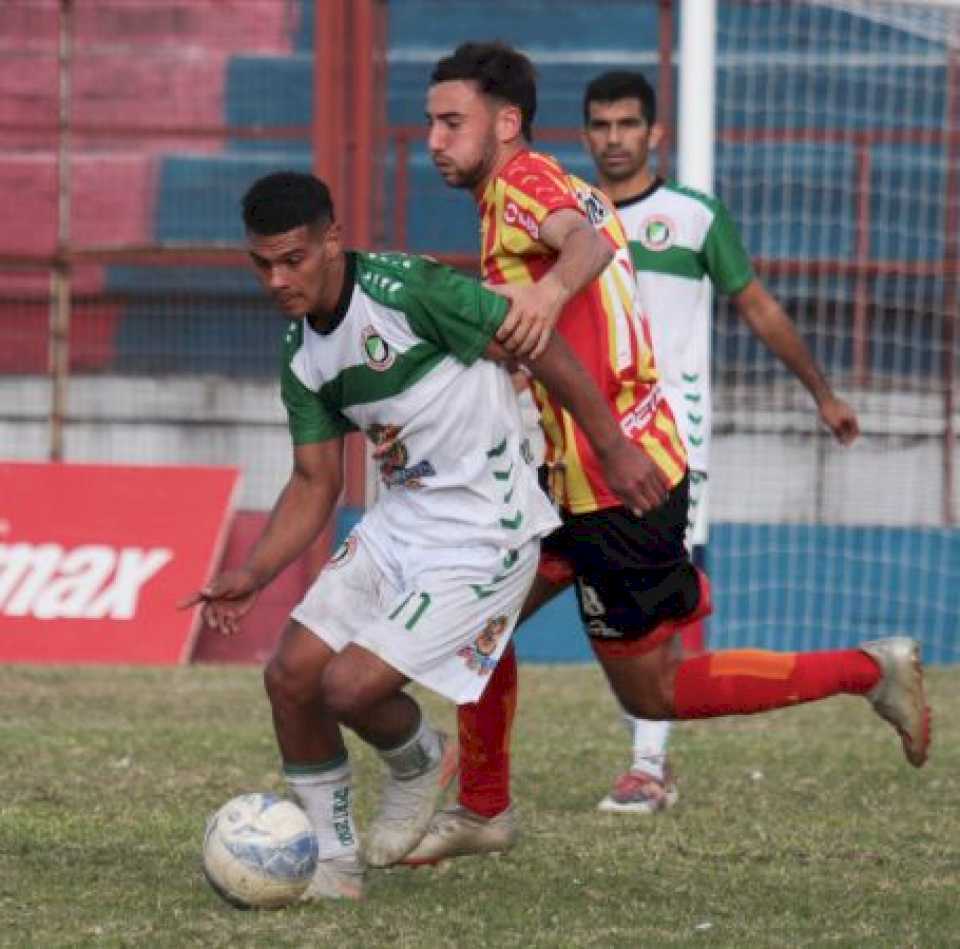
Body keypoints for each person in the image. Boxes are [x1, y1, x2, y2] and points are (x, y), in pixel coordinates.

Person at [402, 41, 930, 866]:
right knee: (478, 621)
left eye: (449, 121)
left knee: (656, 690)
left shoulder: (524, 187)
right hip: (574, 480)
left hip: (618, 484)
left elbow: (585, 248)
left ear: (505, 123)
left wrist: (544, 292)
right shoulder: (536, 184)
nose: (432, 138)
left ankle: (869, 669)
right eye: (430, 121)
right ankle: (482, 805)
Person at [178, 170, 669, 901]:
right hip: (401, 522)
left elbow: (539, 345)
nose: (277, 278)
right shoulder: (301, 352)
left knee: (348, 687)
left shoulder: (409, 291)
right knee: (289, 677)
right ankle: (336, 868)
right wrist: (252, 573)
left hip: (488, 529)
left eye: (293, 258)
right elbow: (316, 483)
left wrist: (615, 446)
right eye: (262, 263)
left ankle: (417, 761)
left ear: (332, 239)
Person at [582, 69, 862, 813]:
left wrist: (823, 393)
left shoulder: (695, 217)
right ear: (586, 136)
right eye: (601, 126)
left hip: (671, 450)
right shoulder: (569, 217)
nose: (614, 139)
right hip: (584, 443)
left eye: (627, 125)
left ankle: (647, 763)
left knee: (657, 600)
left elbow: (760, 308)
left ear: (654, 134)